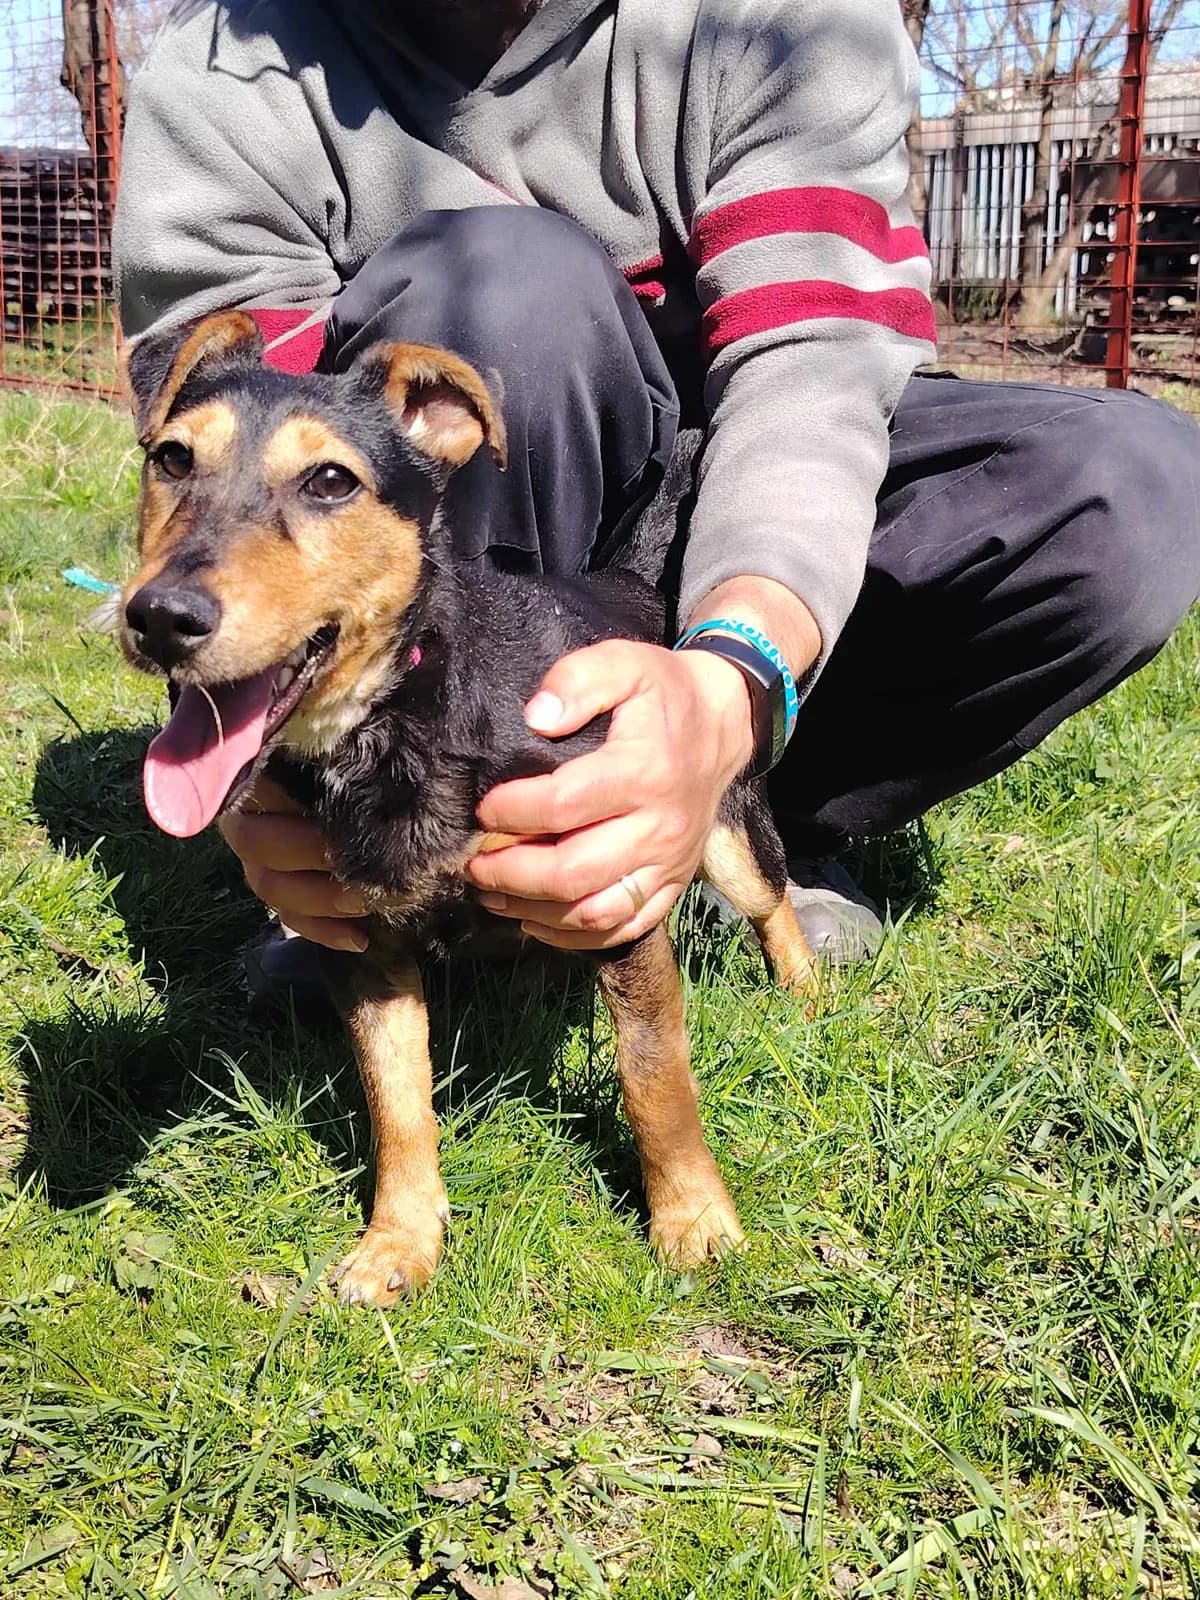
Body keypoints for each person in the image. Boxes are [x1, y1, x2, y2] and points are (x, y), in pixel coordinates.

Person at [113, 0, 1200, 972]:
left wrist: (733, 680)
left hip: (747, 460)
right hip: (473, 579)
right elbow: (224, 476)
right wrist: (249, 765)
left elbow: (811, 373)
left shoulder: (783, 17)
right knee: (508, 287)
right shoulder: (223, 74)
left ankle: (761, 810)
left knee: (1129, 490)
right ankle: (412, 839)